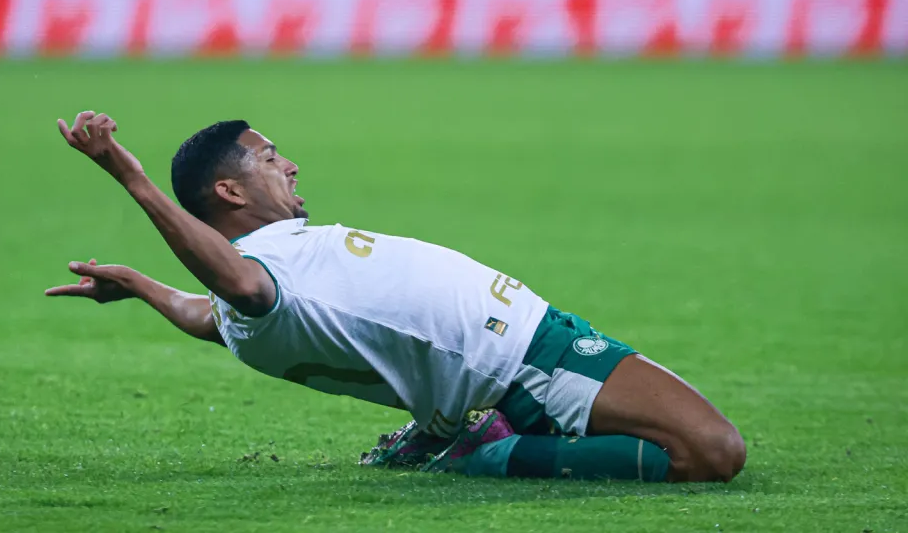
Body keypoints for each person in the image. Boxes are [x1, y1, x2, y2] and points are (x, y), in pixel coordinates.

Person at [46, 111, 746, 482]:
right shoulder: (258, 275)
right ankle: (485, 454)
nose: (290, 165)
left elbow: (209, 312)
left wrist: (141, 286)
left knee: (688, 440)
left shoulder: (251, 304)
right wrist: (131, 179)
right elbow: (236, 287)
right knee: (713, 451)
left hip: (516, 356)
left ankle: (462, 435)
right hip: (528, 358)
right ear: (228, 191)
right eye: (269, 157)